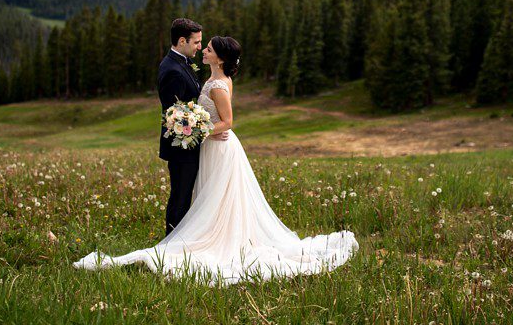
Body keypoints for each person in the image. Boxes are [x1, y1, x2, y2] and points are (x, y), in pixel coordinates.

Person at [73, 35, 358, 286]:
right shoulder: (213, 79)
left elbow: (229, 121)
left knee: (218, 198)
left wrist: (199, 129)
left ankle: (216, 239)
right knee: (213, 196)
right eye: (203, 46)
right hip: (212, 147)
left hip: (219, 147)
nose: (204, 50)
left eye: (208, 48)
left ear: (220, 58)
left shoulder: (218, 85)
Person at [156, 18, 206, 236]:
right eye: (196, 42)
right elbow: (175, 114)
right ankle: (172, 243)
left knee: (185, 195)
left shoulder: (182, 62)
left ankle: (180, 240)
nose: (200, 47)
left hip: (189, 144)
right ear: (182, 40)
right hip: (181, 146)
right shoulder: (172, 70)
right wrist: (204, 127)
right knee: (180, 196)